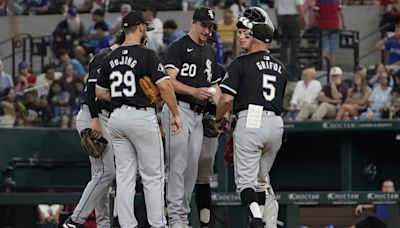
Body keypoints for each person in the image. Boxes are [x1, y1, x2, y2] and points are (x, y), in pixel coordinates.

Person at [96, 10, 182, 228]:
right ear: (142, 28)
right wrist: (176, 113)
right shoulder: (147, 55)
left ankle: (127, 224)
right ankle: (157, 224)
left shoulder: (110, 56)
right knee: (152, 176)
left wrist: (121, 94)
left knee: (124, 176)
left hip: (117, 118)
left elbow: (99, 92)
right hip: (140, 117)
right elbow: (164, 86)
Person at [215, 7, 286, 228]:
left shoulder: (241, 62)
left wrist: (219, 118)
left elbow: (226, 100)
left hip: (252, 118)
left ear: (254, 37)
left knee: (245, 182)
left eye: (246, 32)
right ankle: (264, 220)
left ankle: (255, 220)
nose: (242, 36)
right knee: (260, 182)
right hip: (276, 123)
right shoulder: (281, 67)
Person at [161, 6, 221, 228]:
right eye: (204, 25)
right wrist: (194, 91)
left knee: (192, 168)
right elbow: (168, 82)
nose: (207, 30)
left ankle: (182, 216)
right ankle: (175, 217)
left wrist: (223, 112)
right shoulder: (178, 47)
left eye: (211, 26)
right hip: (178, 109)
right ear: (194, 22)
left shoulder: (209, 51)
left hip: (198, 114)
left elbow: (214, 86)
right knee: (177, 166)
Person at [62, 32, 126, 228]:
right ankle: (75, 220)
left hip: (104, 117)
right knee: (107, 173)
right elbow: (91, 89)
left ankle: (103, 224)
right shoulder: (105, 55)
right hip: (94, 116)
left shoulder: (122, 62)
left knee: (100, 175)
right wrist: (95, 119)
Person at [276, 0, 305, 80]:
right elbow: (299, 6)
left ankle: (283, 65)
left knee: (284, 44)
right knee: (295, 44)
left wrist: (278, 21)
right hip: (293, 17)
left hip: (282, 17)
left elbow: (276, 8)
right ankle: (292, 67)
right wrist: (302, 19)